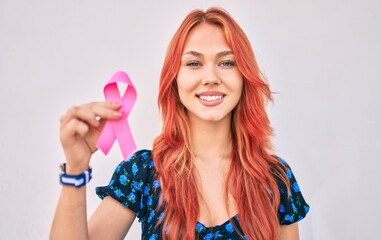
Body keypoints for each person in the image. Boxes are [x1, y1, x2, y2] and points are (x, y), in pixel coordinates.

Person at [50, 7, 309, 240]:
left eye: (227, 62)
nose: (211, 77)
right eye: (194, 63)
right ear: (174, 80)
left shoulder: (275, 178)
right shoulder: (144, 172)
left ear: (244, 77)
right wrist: (76, 168)